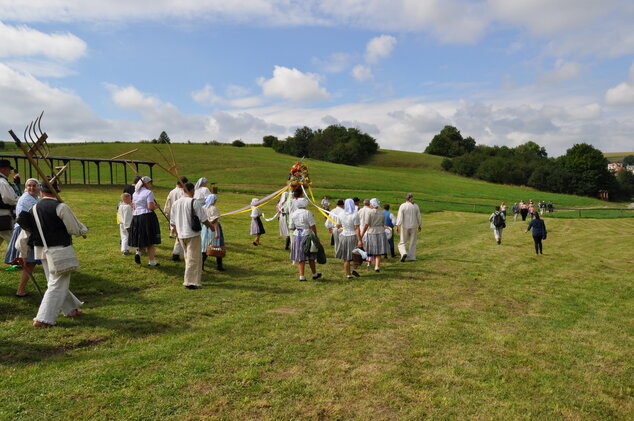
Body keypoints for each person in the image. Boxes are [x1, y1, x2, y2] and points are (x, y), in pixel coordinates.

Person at [31, 180, 88, 327]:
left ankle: (70, 310)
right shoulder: (61, 207)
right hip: (59, 250)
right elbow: (74, 229)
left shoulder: (34, 208)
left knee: (55, 282)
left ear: (42, 192)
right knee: (56, 284)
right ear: (56, 192)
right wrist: (83, 230)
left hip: (41, 251)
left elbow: (26, 232)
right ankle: (43, 319)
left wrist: (23, 252)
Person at [169, 183, 213, 289]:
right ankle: (191, 282)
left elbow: (173, 222)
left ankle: (190, 279)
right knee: (194, 258)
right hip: (192, 233)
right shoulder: (194, 202)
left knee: (188, 258)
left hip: (181, 234)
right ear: (191, 190)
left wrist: (177, 234)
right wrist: (211, 227)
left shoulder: (176, 203)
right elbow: (203, 218)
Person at [4, 178, 40, 297]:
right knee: (29, 262)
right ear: (25, 187)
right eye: (29, 186)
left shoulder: (35, 198)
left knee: (30, 261)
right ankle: (20, 291)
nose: (31, 188)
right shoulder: (27, 199)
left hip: (28, 230)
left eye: (34, 186)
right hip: (25, 231)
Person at [129, 176, 161, 266]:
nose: (151, 185)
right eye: (150, 183)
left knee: (141, 236)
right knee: (150, 240)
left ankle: (138, 253)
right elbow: (150, 207)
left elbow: (134, 206)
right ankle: (152, 262)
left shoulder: (135, 193)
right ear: (146, 183)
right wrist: (156, 206)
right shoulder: (148, 192)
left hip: (136, 216)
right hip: (147, 217)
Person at [289, 198, 322, 281]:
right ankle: (314, 274)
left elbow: (291, 227)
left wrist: (298, 227)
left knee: (301, 257)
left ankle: (302, 276)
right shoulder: (308, 213)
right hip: (307, 235)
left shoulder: (293, 213)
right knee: (311, 256)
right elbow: (312, 226)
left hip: (297, 236)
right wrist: (315, 236)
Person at [335, 199, 363, 279]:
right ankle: (354, 269)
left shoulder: (340, 214)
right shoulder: (355, 214)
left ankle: (348, 274)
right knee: (356, 256)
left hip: (343, 236)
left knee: (346, 258)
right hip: (352, 236)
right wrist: (360, 240)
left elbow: (338, 225)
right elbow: (357, 228)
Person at [361, 198, 389, 272]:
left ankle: (369, 264)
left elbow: (366, 224)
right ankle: (377, 266)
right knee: (378, 251)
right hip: (380, 232)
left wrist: (362, 233)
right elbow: (383, 224)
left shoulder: (369, 212)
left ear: (372, 204)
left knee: (370, 250)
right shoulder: (382, 212)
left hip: (371, 232)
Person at [164, 176, 188, 261]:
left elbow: (167, 205)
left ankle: (177, 253)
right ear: (183, 183)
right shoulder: (183, 192)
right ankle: (177, 254)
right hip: (181, 215)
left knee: (179, 235)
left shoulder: (172, 192)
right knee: (181, 235)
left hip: (174, 215)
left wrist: (168, 214)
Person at [200, 194, 225, 272]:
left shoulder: (203, 208)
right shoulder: (214, 209)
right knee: (217, 246)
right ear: (213, 200)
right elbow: (215, 222)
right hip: (212, 229)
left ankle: (201, 265)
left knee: (204, 246)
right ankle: (219, 265)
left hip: (204, 228)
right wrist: (217, 233)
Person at [395, 193, 422, 262]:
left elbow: (400, 216)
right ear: (411, 198)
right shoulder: (416, 206)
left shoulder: (403, 206)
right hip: (413, 226)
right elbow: (419, 216)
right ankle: (412, 257)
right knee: (413, 242)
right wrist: (420, 225)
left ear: (406, 199)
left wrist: (397, 225)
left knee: (402, 242)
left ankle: (404, 253)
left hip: (405, 226)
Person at [0, 159, 19, 253]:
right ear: (3, 169)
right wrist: (18, 200)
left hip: (3, 215)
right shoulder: (2, 182)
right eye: (8, 169)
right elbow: (8, 199)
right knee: (12, 238)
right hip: (4, 216)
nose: (10, 172)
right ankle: (16, 259)